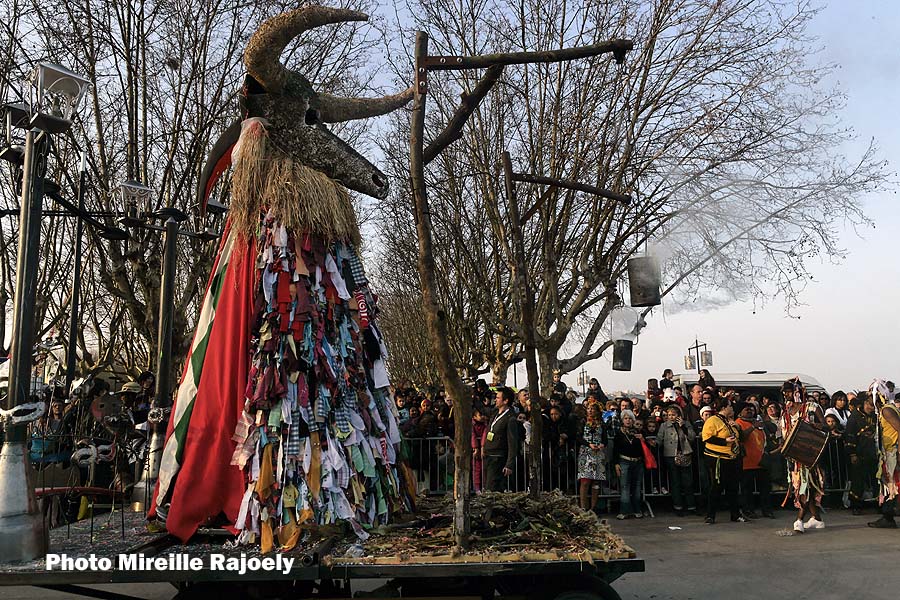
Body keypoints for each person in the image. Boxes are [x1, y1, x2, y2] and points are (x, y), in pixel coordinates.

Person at [781, 378, 827, 533]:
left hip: (811, 454)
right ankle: (817, 519)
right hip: (795, 457)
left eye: (788, 391)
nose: (786, 394)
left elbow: (826, 425)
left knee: (805, 487)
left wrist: (818, 426)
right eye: (784, 392)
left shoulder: (812, 407)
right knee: (803, 487)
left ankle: (799, 519)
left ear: (797, 392)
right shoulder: (786, 413)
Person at [701, 397, 745, 524]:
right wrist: (724, 441)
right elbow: (706, 438)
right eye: (730, 406)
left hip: (732, 458)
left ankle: (735, 514)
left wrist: (738, 427)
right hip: (718, 459)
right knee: (717, 487)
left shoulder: (731, 421)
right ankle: (710, 515)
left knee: (733, 488)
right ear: (724, 408)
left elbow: (740, 438)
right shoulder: (713, 420)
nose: (732, 408)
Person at [735, 402, 774, 518]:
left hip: (761, 461)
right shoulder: (738, 423)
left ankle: (767, 510)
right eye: (747, 409)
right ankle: (748, 510)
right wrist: (753, 427)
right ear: (740, 411)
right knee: (747, 489)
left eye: (751, 409)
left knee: (765, 489)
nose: (750, 411)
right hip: (747, 462)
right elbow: (741, 437)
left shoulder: (758, 423)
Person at [870, 381, 900, 528]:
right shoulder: (886, 409)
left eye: (872, 395)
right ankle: (887, 517)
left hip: (893, 452)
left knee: (893, 484)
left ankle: (888, 517)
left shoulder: (887, 410)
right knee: (890, 484)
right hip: (888, 453)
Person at [657, 405, 696, 516]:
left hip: (684, 454)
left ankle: (691, 506)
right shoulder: (664, 426)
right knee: (675, 482)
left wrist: (683, 427)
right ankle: (678, 506)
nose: (671, 417)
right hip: (670, 455)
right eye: (669, 415)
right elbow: (660, 439)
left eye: (673, 415)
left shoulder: (686, 424)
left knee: (687, 482)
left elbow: (692, 437)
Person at [845, 392, 878, 515]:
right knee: (857, 480)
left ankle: (879, 504)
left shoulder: (875, 416)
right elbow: (849, 436)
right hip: (859, 454)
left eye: (873, 405)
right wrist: (852, 454)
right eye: (870, 405)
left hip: (873, 453)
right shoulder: (854, 417)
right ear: (863, 403)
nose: (872, 408)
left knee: (876, 480)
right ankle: (856, 505)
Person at [483, 387, 520, 492]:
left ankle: (494, 507)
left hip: (498, 458)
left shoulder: (510, 419)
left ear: (506, 400)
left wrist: (509, 464)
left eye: (498, 398)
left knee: (493, 487)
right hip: (489, 455)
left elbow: (512, 443)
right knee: (487, 486)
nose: (495, 400)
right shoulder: (495, 413)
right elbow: (483, 410)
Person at [613, 410, 645, 519]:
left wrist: (642, 439)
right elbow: (615, 449)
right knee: (625, 486)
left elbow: (644, 449)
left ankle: (637, 509)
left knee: (637, 486)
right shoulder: (619, 433)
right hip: (624, 461)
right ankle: (624, 510)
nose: (628, 420)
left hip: (638, 461)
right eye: (626, 418)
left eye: (630, 418)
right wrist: (616, 463)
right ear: (622, 420)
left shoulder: (638, 432)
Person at [577, 404, 608, 513]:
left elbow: (605, 439)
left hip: (598, 454)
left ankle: (593, 508)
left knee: (596, 482)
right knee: (584, 481)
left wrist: (602, 445)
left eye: (593, 409)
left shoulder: (602, 424)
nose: (590, 411)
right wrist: (588, 444)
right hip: (586, 453)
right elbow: (578, 437)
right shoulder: (582, 422)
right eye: (589, 409)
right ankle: (583, 507)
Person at [472, 406, 488, 493]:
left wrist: (483, 446)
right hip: (475, 448)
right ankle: (476, 487)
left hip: (484, 447)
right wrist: (475, 447)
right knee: (476, 469)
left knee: (484, 468)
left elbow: (485, 435)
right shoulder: (472, 424)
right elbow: (472, 435)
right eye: (480, 415)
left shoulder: (486, 424)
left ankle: (484, 486)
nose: (482, 417)